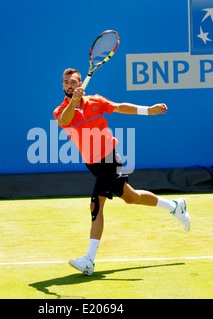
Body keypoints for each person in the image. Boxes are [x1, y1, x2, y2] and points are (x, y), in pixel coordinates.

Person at [53, 68, 190, 276]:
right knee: (131, 197)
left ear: (80, 84)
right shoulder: (61, 110)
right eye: (66, 82)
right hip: (93, 164)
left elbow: (119, 107)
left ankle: (89, 260)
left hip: (109, 157)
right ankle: (174, 207)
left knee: (96, 204)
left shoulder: (96, 101)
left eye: (73, 82)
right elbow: (64, 120)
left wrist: (148, 110)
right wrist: (74, 101)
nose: (69, 85)